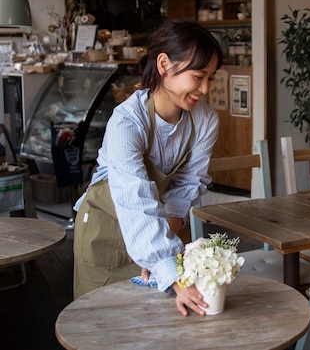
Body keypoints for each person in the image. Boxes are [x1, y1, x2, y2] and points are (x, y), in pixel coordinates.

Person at [73, 19, 222, 317]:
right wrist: (169, 269)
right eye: (198, 76)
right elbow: (135, 198)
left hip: (159, 231)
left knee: (156, 329)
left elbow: (185, 188)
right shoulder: (126, 122)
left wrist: (159, 253)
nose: (205, 88)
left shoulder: (205, 121)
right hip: (105, 230)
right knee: (101, 325)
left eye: (211, 78)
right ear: (164, 64)